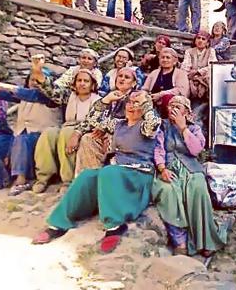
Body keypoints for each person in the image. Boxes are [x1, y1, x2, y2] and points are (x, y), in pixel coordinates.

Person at [32, 91, 160, 253]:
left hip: (138, 176)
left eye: (137, 103)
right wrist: (106, 100)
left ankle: (115, 226)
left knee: (108, 172)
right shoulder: (118, 124)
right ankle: (58, 223)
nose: (132, 106)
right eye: (129, 102)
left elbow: (153, 123)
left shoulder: (146, 126)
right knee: (87, 176)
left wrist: (145, 102)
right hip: (117, 173)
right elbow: (93, 120)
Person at [0, 62, 62, 196]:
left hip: (40, 139)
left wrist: (3, 86)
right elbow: (7, 94)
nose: (35, 83)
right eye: (32, 80)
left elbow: (28, 94)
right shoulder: (23, 98)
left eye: (38, 80)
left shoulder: (50, 98)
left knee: (22, 139)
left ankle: (21, 180)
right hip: (19, 137)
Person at [151, 95, 227, 256]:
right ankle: (180, 241)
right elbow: (158, 150)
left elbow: (196, 150)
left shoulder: (194, 128)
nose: (174, 109)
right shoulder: (162, 127)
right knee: (168, 192)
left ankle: (205, 241)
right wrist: (162, 168)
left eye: (178, 107)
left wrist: (183, 128)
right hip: (169, 168)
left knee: (198, 190)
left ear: (186, 111)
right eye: (171, 106)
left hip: (191, 169)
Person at [30, 68, 101, 193]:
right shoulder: (69, 96)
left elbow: (94, 122)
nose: (82, 83)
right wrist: (38, 72)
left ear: (92, 84)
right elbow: (52, 90)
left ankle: (68, 180)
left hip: (85, 129)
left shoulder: (98, 99)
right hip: (67, 125)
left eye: (86, 81)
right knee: (49, 133)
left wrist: (77, 132)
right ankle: (43, 177)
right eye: (79, 80)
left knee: (67, 134)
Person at [69, 67, 139, 175]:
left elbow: (131, 122)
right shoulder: (110, 96)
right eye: (120, 76)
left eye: (127, 77)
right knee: (88, 139)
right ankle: (90, 179)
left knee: (110, 141)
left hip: (126, 137)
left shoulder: (136, 98)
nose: (122, 79)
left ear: (133, 83)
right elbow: (92, 118)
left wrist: (105, 128)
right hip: (106, 135)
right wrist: (77, 133)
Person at [181, 31, 217, 100]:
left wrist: (198, 71)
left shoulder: (211, 51)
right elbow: (185, 66)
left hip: (205, 77)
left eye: (203, 39)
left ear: (207, 43)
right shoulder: (189, 51)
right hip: (192, 77)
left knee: (210, 77)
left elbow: (212, 66)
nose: (200, 40)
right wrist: (188, 74)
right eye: (198, 38)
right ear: (195, 41)